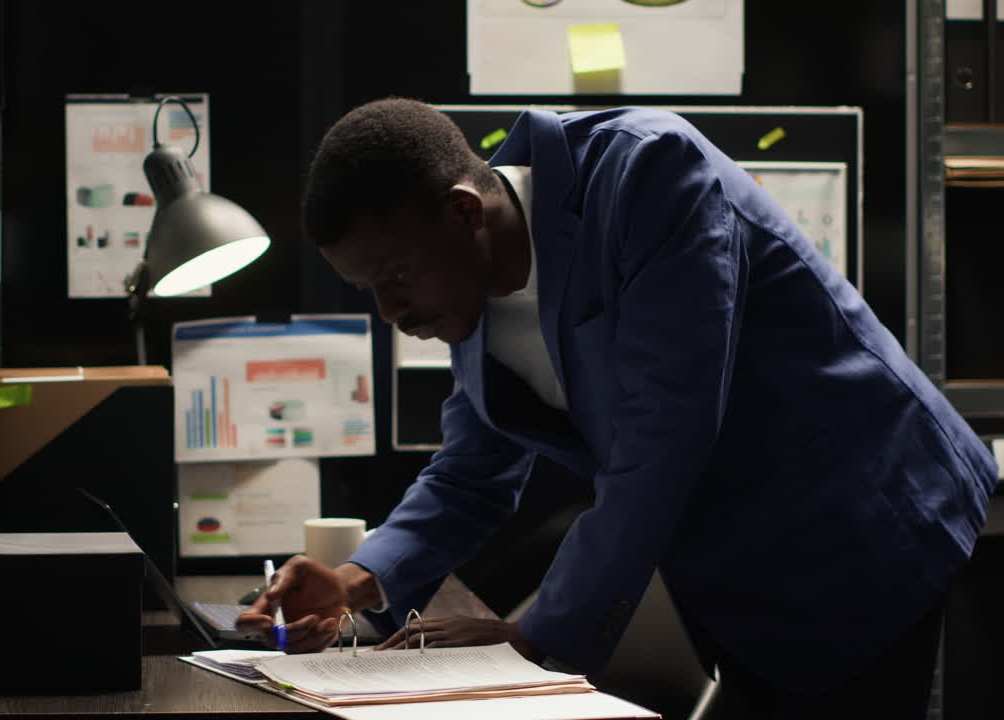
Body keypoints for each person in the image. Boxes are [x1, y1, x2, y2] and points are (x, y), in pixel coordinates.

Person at [236, 98, 998, 717]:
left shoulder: (649, 173)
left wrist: (529, 640)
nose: (388, 310)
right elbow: (471, 473)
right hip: (742, 571)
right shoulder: (468, 291)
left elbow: (662, 442)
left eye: (396, 276)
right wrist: (356, 580)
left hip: (862, 524)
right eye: (368, 289)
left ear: (465, 213)